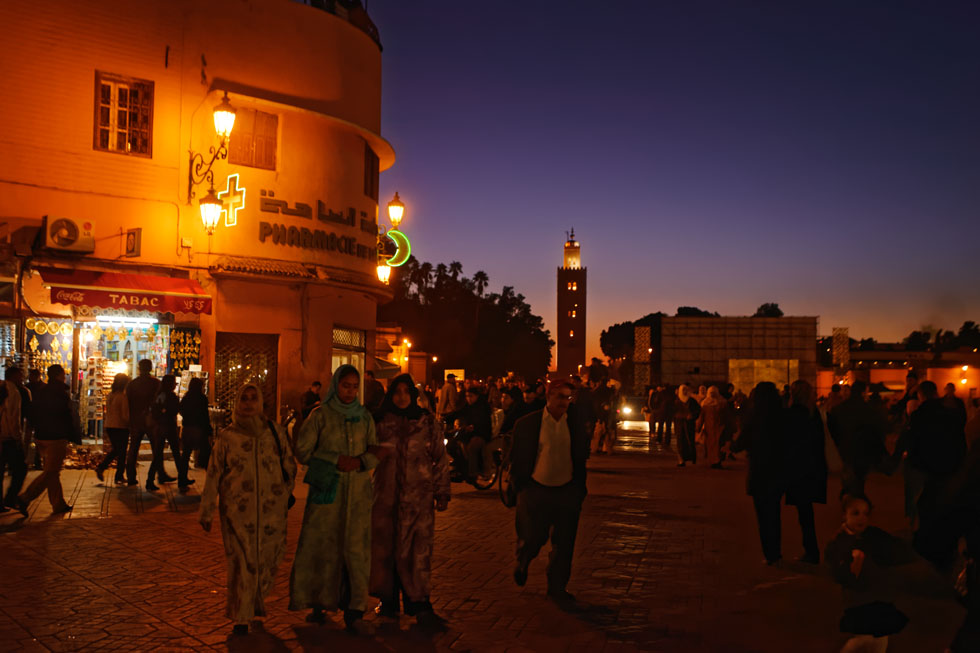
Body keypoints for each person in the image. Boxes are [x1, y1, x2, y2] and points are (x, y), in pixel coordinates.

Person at [199, 383, 296, 636]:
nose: (249, 403)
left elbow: (289, 465)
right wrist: (207, 509)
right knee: (242, 562)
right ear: (237, 403)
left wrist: (282, 494)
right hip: (237, 513)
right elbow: (214, 473)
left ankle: (256, 602)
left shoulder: (274, 432)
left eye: (254, 398)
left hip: (272, 513)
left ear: (261, 402)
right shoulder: (228, 437)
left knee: (268, 561)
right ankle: (241, 615)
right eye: (244, 398)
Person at [290, 365, 380, 635]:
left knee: (356, 551)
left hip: (357, 498)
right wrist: (334, 459)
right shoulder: (320, 416)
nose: (350, 392)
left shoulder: (364, 417)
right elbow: (303, 451)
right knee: (322, 547)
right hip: (326, 495)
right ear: (335, 386)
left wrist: (362, 461)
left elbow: (374, 449)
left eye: (354, 387)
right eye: (345, 386)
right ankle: (318, 602)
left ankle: (355, 611)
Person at [370, 374, 451, 626]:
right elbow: (366, 453)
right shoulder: (380, 422)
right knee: (386, 550)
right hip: (386, 497)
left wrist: (441, 490)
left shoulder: (426, 423)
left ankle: (420, 603)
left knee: (418, 552)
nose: (402, 397)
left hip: (419, 500)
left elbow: (440, 456)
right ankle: (388, 601)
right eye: (397, 391)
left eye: (406, 392)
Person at [510, 381, 589, 608]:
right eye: (560, 397)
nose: (565, 402)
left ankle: (557, 588)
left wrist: (578, 489)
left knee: (564, 544)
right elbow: (517, 458)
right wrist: (520, 486)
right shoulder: (527, 424)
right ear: (549, 397)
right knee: (534, 536)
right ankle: (523, 560)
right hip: (536, 489)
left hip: (566, 491)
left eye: (568, 398)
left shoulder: (574, 423)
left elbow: (581, 456)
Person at [825, 495, 916, 652]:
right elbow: (838, 572)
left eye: (866, 514)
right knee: (866, 637)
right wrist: (850, 563)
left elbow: (893, 549)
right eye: (855, 513)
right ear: (844, 515)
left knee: (880, 636)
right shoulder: (840, 542)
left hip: (877, 595)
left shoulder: (872, 534)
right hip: (858, 599)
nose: (862, 518)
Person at [907, 380, 967, 567]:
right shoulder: (952, 414)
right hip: (950, 466)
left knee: (926, 506)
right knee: (946, 508)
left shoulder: (919, 415)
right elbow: (960, 440)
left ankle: (928, 549)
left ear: (921, 395)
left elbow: (914, 443)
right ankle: (945, 550)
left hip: (927, 468)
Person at [733, 381, 786, 565]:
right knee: (775, 512)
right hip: (778, 470)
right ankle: (776, 551)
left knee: (763, 514)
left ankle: (769, 553)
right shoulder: (782, 415)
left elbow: (742, 441)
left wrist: (732, 447)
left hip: (759, 470)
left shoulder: (754, 416)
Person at [16, 364, 76, 514]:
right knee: (50, 472)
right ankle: (25, 498)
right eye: (63, 374)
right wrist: (70, 433)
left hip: (42, 436)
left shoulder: (41, 392)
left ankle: (58, 504)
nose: (64, 376)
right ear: (58, 375)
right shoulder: (60, 393)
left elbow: (32, 412)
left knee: (53, 472)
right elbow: (66, 416)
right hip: (55, 437)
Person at [784, 380, 828, 564]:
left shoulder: (793, 414)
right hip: (813, 468)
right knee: (806, 511)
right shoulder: (814, 413)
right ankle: (811, 549)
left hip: (798, 469)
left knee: (804, 513)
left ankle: (811, 551)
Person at [829, 381, 886, 498]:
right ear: (863, 392)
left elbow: (833, 431)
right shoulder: (869, 410)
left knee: (848, 473)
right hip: (864, 449)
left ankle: (848, 495)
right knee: (860, 477)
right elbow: (878, 429)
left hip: (845, 447)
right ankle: (857, 497)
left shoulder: (839, 409)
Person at [125, 359, 163, 486]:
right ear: (151, 368)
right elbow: (159, 401)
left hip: (136, 420)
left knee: (133, 449)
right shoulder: (156, 383)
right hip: (152, 421)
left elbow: (128, 402)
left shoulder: (132, 384)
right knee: (156, 450)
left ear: (139, 368)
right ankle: (154, 477)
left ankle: (131, 476)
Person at [447, 386, 493, 481]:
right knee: (451, 444)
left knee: (472, 447)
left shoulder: (483, 406)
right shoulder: (468, 406)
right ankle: (460, 467)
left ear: (477, 396)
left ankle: (473, 473)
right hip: (468, 432)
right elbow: (459, 412)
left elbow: (483, 421)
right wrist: (446, 418)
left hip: (481, 434)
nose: (468, 398)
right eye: (467, 396)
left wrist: (474, 427)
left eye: (471, 396)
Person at [146, 375, 180, 492]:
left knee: (158, 454)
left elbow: (155, 410)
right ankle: (182, 477)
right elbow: (174, 410)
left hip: (160, 426)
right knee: (175, 452)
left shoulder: (159, 395)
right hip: (168, 426)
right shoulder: (170, 396)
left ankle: (151, 479)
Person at [0, 367, 27, 512]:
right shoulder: (13, 392)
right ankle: (11, 497)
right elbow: (13, 417)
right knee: (20, 469)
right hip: (8, 438)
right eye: (20, 375)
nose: (22, 378)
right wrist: (17, 438)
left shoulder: (3, 387)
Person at [95, 373, 130, 485]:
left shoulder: (110, 395)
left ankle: (104, 468)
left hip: (110, 425)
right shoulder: (123, 397)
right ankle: (117, 475)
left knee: (117, 450)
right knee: (121, 452)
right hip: (120, 426)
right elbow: (125, 415)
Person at [178, 377, 211, 487]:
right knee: (206, 455)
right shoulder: (202, 398)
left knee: (186, 455)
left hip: (187, 428)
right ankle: (211, 480)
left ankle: (182, 479)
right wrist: (208, 429)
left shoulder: (186, 397)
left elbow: (181, 409)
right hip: (199, 428)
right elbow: (205, 415)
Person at [697, 386, 727, 468]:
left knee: (719, 445)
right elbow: (702, 417)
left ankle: (717, 461)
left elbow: (727, 416)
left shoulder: (722, 403)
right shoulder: (705, 404)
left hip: (719, 428)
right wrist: (698, 427)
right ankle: (713, 461)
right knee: (711, 446)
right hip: (709, 429)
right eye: (711, 393)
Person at [674, 384, 700, 467]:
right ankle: (681, 460)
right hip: (679, 424)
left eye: (686, 390)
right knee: (680, 442)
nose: (684, 392)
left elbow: (698, 410)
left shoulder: (691, 401)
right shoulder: (676, 401)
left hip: (689, 424)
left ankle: (690, 458)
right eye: (683, 390)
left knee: (689, 441)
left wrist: (692, 415)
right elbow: (672, 411)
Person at [24, 368, 44, 469]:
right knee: (29, 440)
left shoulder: (42, 388)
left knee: (37, 440)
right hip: (33, 417)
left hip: (37, 417)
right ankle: (27, 461)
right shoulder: (27, 388)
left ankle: (36, 461)